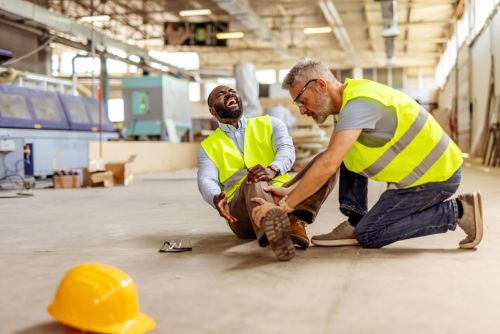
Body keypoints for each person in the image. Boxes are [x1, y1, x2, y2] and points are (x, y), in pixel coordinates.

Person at [251, 57, 483, 250]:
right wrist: (291, 190)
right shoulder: (350, 98)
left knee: (370, 234)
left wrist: (283, 207)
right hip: (423, 176)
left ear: (321, 85)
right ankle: (356, 219)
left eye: (303, 101)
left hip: (436, 179)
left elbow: (329, 164)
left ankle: (458, 211)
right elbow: (332, 155)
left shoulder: (359, 105)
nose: (302, 110)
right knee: (340, 154)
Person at [198, 85, 336, 261]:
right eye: (221, 94)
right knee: (254, 179)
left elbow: (286, 150)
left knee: (327, 161)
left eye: (232, 91)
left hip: (283, 196)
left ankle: (294, 219)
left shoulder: (271, 123)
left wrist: (272, 169)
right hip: (241, 215)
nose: (229, 93)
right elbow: (205, 179)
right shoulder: (207, 146)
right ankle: (275, 233)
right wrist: (215, 197)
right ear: (212, 110)